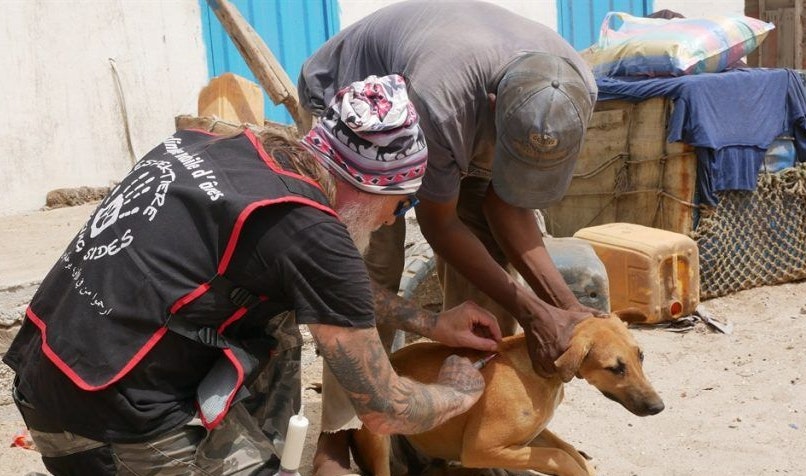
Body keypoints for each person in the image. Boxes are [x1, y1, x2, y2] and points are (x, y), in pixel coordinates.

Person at [2, 74, 502, 475]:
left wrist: (432, 324)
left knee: (282, 318)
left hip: (47, 383)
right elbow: (386, 409)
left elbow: (326, 291)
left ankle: (261, 450)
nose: (397, 216)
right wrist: (460, 389)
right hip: (106, 431)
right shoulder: (314, 233)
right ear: (371, 185)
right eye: (403, 200)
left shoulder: (226, 148)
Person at [298, 1, 601, 473]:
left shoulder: (573, 94)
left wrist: (565, 309)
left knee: (489, 284)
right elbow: (441, 224)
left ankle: (463, 426)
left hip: (469, 124)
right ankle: (343, 430)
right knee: (369, 268)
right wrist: (532, 309)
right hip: (365, 109)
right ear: (496, 110)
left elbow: (508, 206)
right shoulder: (441, 100)